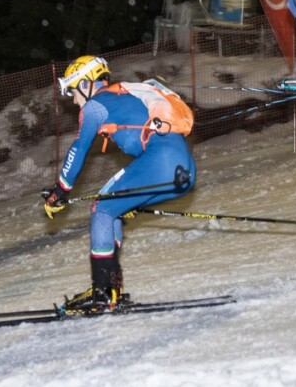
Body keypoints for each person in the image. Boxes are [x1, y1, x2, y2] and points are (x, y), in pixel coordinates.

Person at [42, 55, 195, 314]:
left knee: (101, 208)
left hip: (162, 162)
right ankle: (110, 290)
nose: (73, 98)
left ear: (85, 84)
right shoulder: (120, 97)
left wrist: (60, 191)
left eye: (72, 90)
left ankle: (103, 293)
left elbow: (78, 148)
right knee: (108, 206)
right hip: (183, 169)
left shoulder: (96, 105)